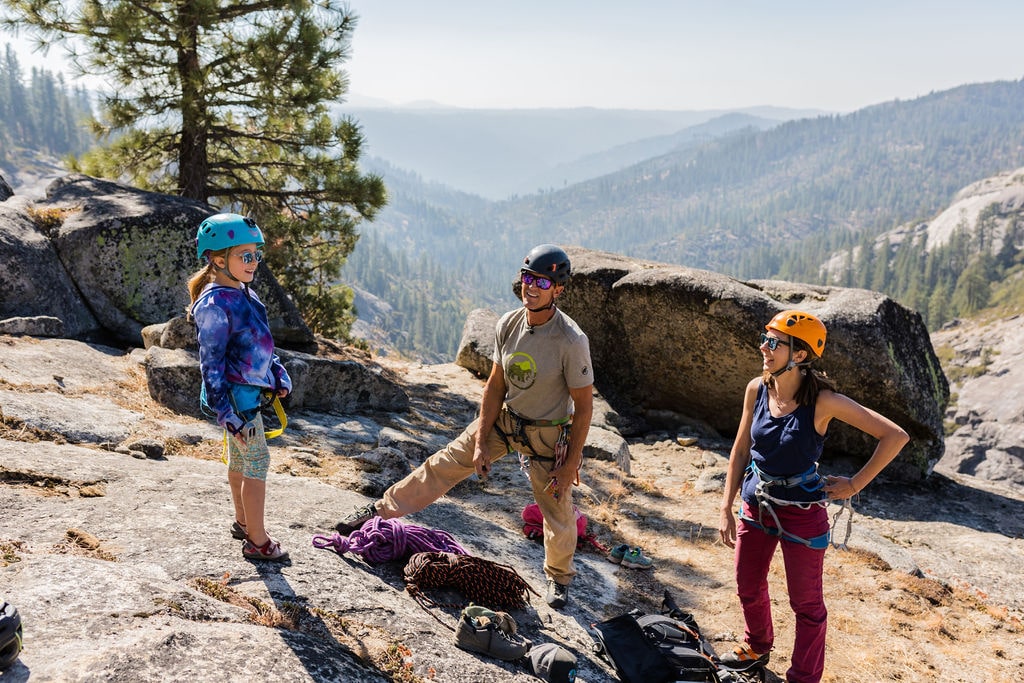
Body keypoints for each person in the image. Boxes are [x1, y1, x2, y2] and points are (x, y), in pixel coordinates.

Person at [334, 244, 594, 609]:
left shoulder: (570, 340)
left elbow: (584, 407)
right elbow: (495, 385)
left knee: (557, 508)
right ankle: (379, 511)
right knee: (444, 463)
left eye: (542, 281)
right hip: (506, 421)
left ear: (559, 290)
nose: (531, 287)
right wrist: (480, 442)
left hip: (548, 435)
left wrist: (569, 466)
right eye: (527, 278)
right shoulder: (509, 324)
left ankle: (559, 578)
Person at [718, 310, 909, 683]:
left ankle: (803, 677)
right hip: (757, 503)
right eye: (765, 337)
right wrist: (726, 506)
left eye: (774, 342)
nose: (764, 346)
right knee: (747, 582)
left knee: (806, 604)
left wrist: (855, 484)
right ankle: (756, 645)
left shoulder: (824, 401)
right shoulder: (757, 388)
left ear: (800, 355)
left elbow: (895, 436)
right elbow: (741, 450)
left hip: (802, 513)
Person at [188, 213, 293, 562]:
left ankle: (242, 521)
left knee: (239, 459)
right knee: (257, 462)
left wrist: (276, 371)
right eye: (244, 256)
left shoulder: (243, 292)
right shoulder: (216, 306)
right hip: (236, 399)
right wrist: (227, 414)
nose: (254, 263)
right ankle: (258, 541)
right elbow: (211, 367)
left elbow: (259, 344)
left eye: (256, 255)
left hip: (245, 393)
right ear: (219, 260)